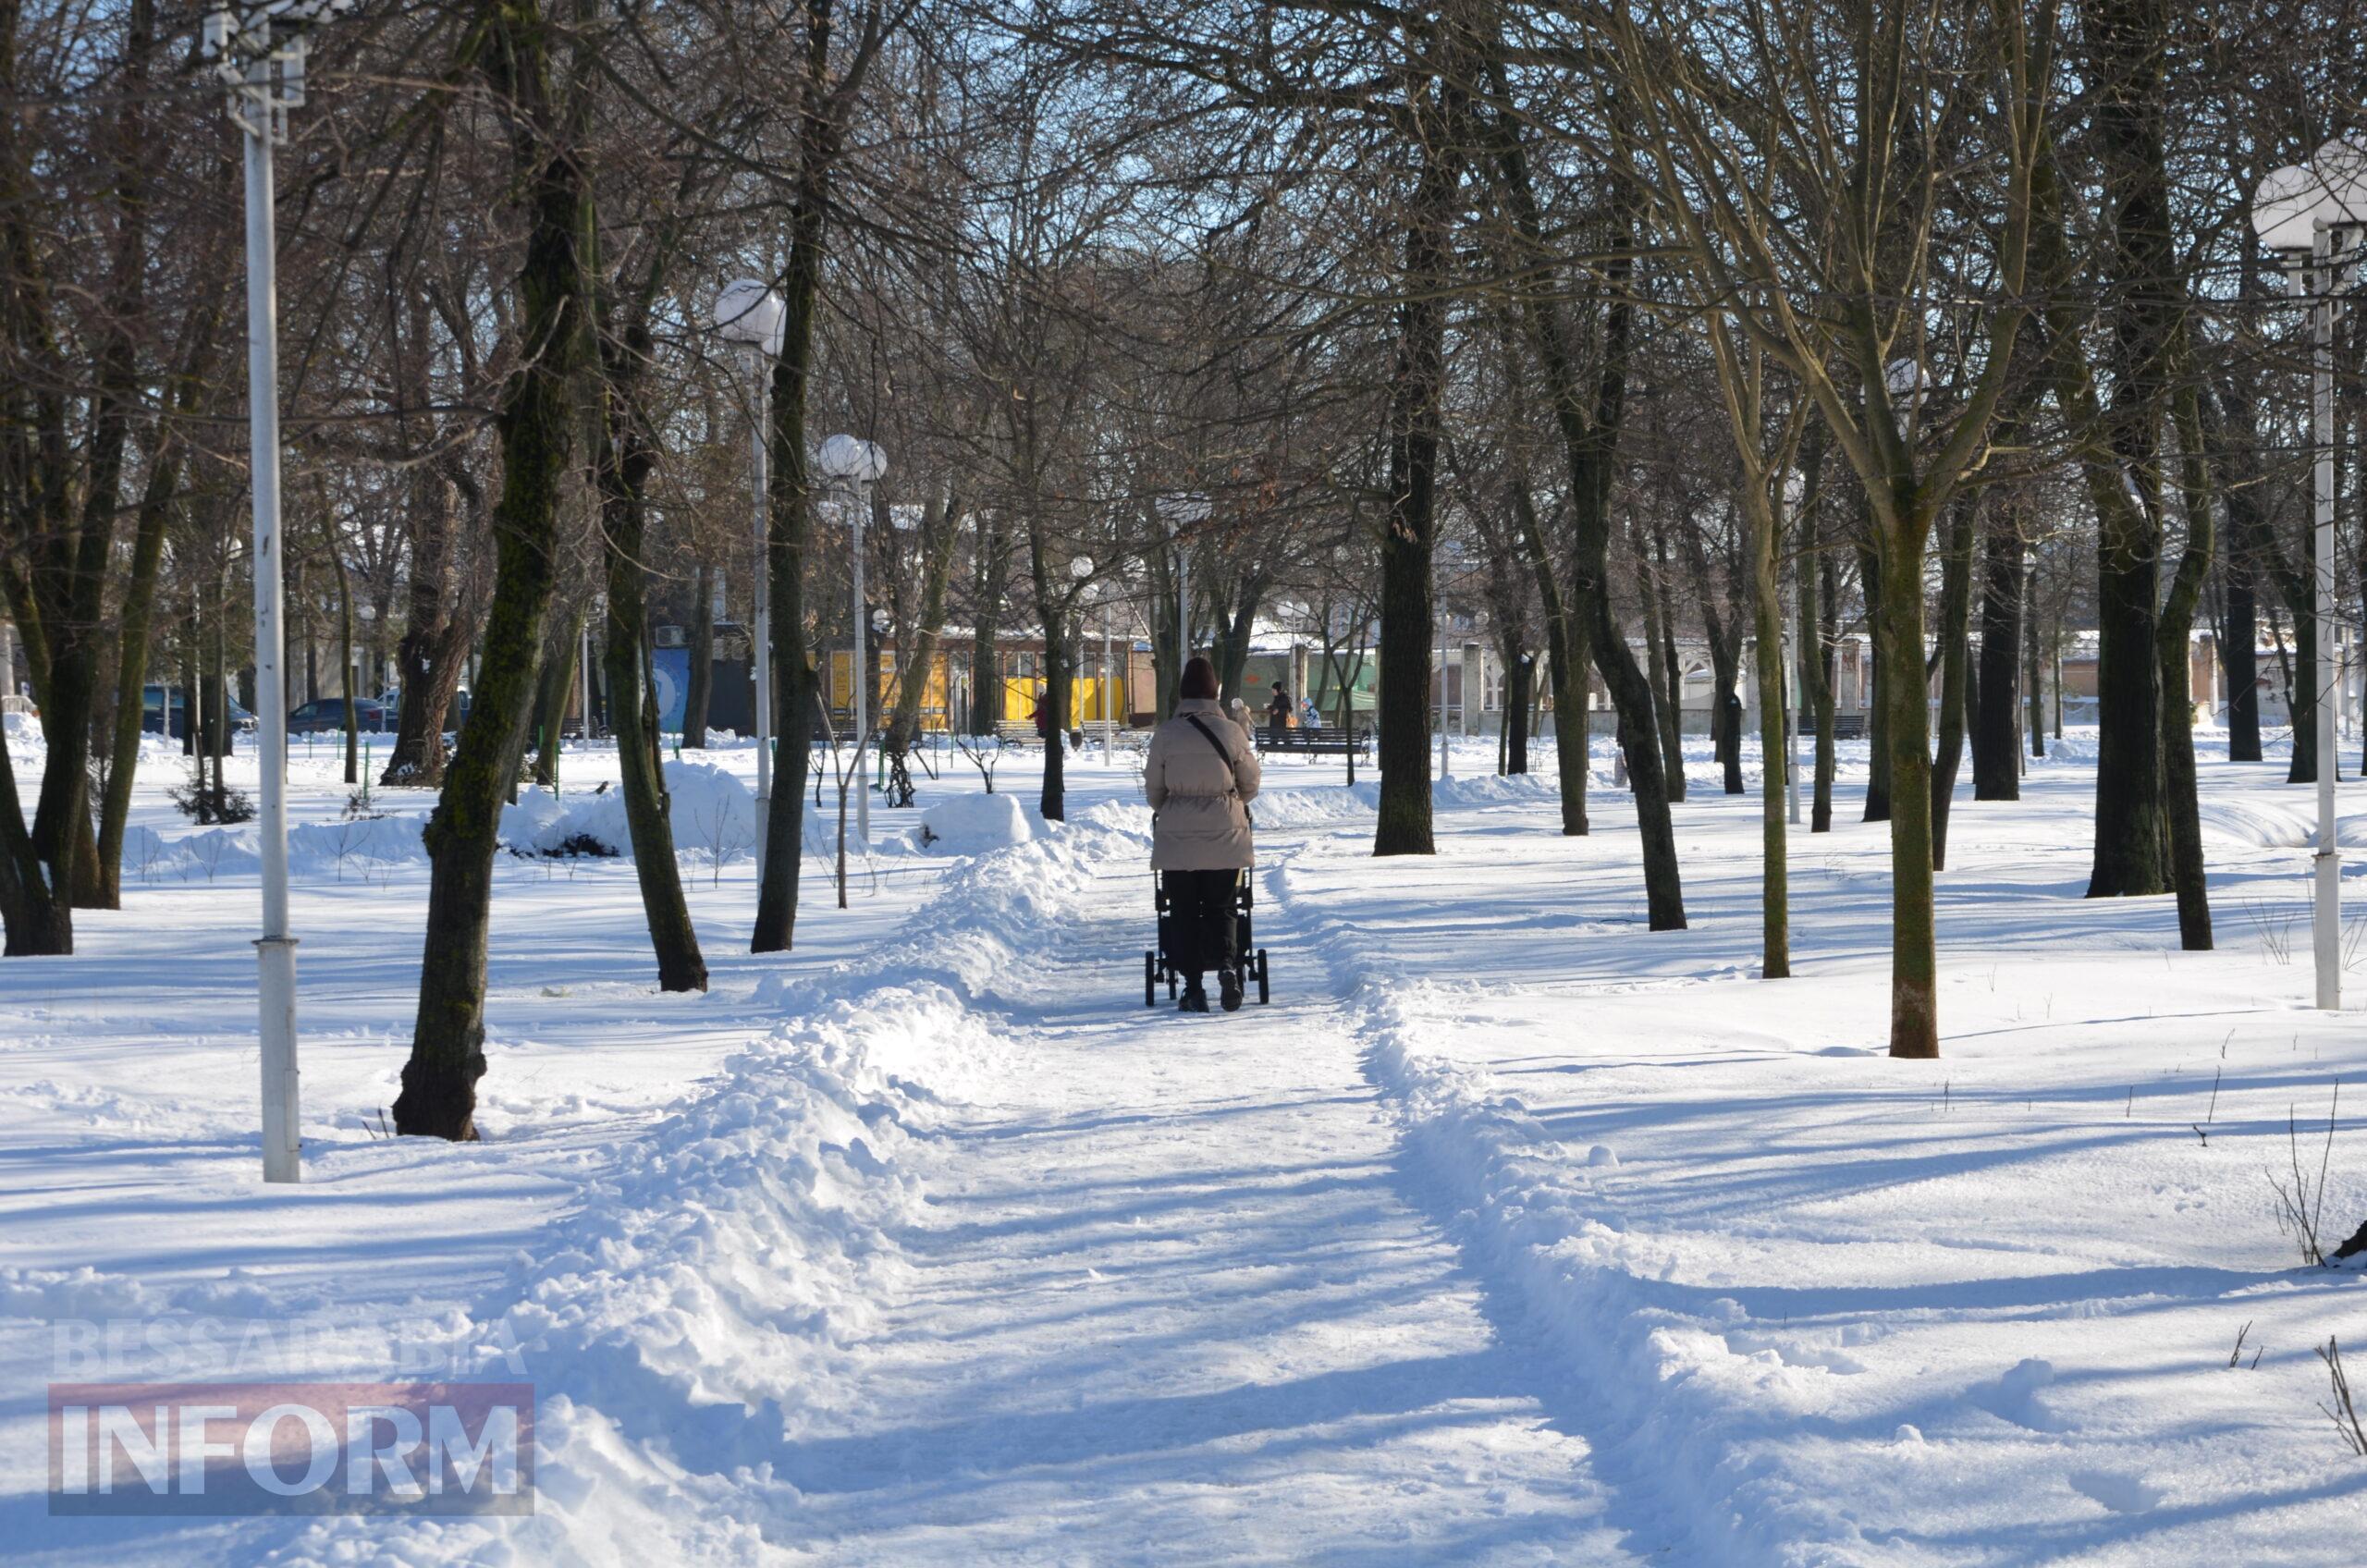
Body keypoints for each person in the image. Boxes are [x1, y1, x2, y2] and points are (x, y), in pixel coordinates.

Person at [1146, 656, 1262, 1012]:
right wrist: (1230, 803)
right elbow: (1251, 783)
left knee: (1182, 910)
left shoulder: (1166, 734)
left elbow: (1154, 791)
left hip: (1177, 840)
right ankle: (1226, 964)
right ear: (1214, 693)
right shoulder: (1232, 732)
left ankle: (1193, 987)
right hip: (1225, 836)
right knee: (1223, 906)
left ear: (1183, 692)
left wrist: (1174, 807)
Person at [1266, 683, 1294, 750]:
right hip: (1275, 724)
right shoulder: (1276, 698)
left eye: (1274, 690)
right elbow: (1276, 708)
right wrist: (1270, 707)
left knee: (1287, 743)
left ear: (1278, 690)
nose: (1272, 692)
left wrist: (1279, 710)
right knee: (1273, 743)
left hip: (1282, 724)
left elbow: (1289, 709)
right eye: (1272, 690)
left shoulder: (1284, 698)